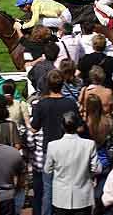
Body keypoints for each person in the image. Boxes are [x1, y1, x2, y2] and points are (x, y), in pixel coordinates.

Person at [30, 70, 82, 215]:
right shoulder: (70, 103)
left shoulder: (42, 104)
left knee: (49, 189)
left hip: (51, 150)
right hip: (67, 150)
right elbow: (79, 126)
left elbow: (34, 128)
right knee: (70, 185)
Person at [44, 111, 99, 215]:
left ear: (62, 126)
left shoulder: (53, 145)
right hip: (83, 197)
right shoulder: (89, 144)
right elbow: (96, 168)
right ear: (78, 126)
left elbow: (47, 169)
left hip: (61, 198)